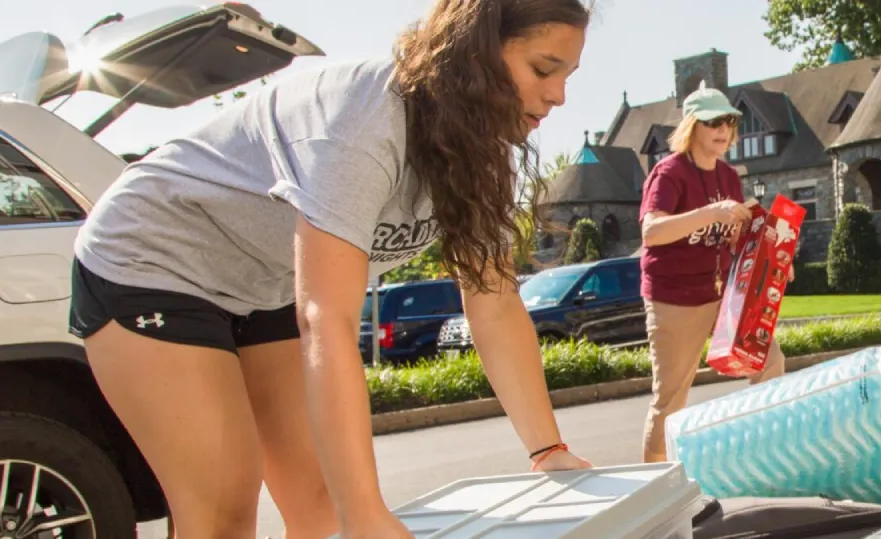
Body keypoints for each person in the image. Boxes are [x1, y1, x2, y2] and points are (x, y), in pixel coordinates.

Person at [68, 1, 594, 536]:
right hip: (153, 257)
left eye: (567, 76)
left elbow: (495, 302)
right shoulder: (367, 118)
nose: (558, 95)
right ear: (473, 52)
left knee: (317, 505)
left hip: (265, 281)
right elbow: (327, 319)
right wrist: (365, 515)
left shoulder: (486, 155)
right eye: (542, 69)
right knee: (224, 503)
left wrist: (547, 450)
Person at [637, 88, 788, 464]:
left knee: (769, 361)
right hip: (674, 297)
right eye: (713, 122)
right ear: (692, 127)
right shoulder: (668, 173)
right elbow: (651, 233)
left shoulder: (728, 176)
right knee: (671, 398)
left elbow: (735, 238)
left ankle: (764, 451)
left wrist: (774, 253)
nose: (724, 129)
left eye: (730, 121)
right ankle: (654, 483)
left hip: (725, 295)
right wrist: (712, 212)